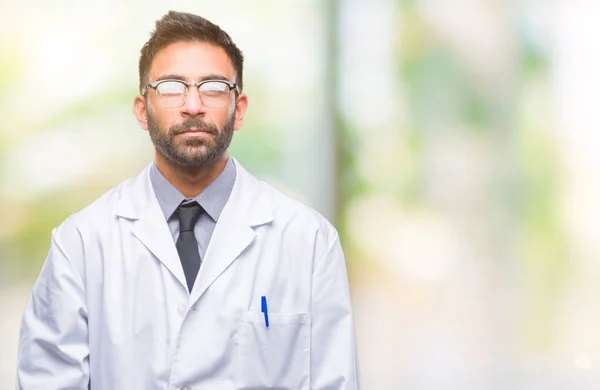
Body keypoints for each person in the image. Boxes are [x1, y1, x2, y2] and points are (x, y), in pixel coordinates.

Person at [16, 10, 360, 390]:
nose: (193, 105)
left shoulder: (308, 241)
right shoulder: (81, 243)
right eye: (171, 86)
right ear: (142, 110)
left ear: (238, 109)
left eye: (212, 86)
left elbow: (334, 381)